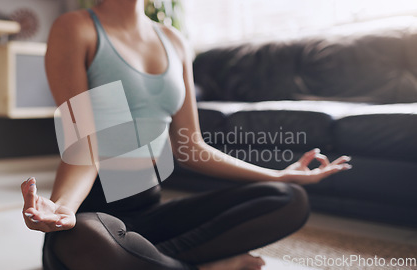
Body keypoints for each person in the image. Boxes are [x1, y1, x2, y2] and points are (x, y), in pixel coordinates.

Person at [20, 0, 352, 269]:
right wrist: (62, 208)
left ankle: (158, 261)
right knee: (88, 243)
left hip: (151, 213)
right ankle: (204, 265)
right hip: (94, 216)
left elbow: (190, 146)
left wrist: (279, 174)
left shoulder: (174, 41)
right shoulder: (77, 28)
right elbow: (85, 145)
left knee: (288, 198)